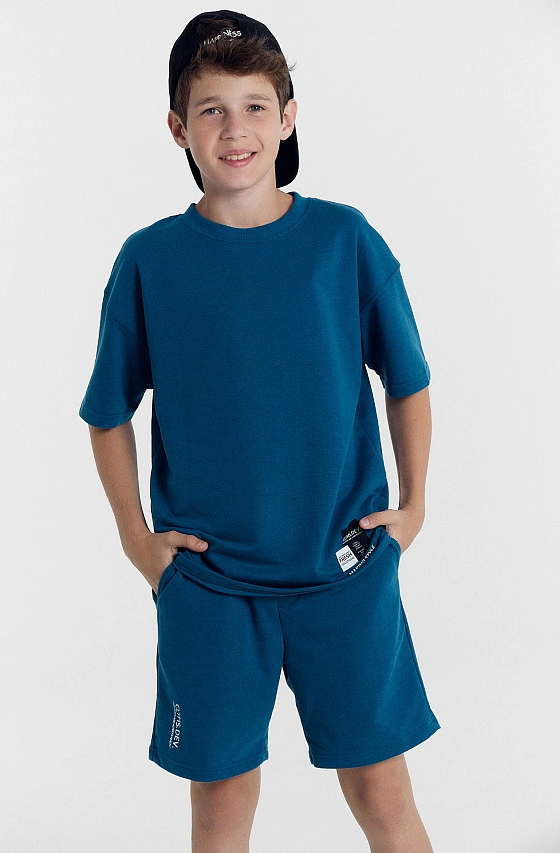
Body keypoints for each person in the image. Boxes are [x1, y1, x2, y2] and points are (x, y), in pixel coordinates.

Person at [79, 9, 440, 851]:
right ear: (179, 128)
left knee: (382, 793)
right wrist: (139, 542)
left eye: (253, 106)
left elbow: (408, 381)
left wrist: (414, 506)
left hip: (343, 570)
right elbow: (106, 412)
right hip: (210, 584)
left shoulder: (344, 241)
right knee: (220, 805)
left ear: (287, 117)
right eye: (210, 109)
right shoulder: (150, 260)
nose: (234, 128)